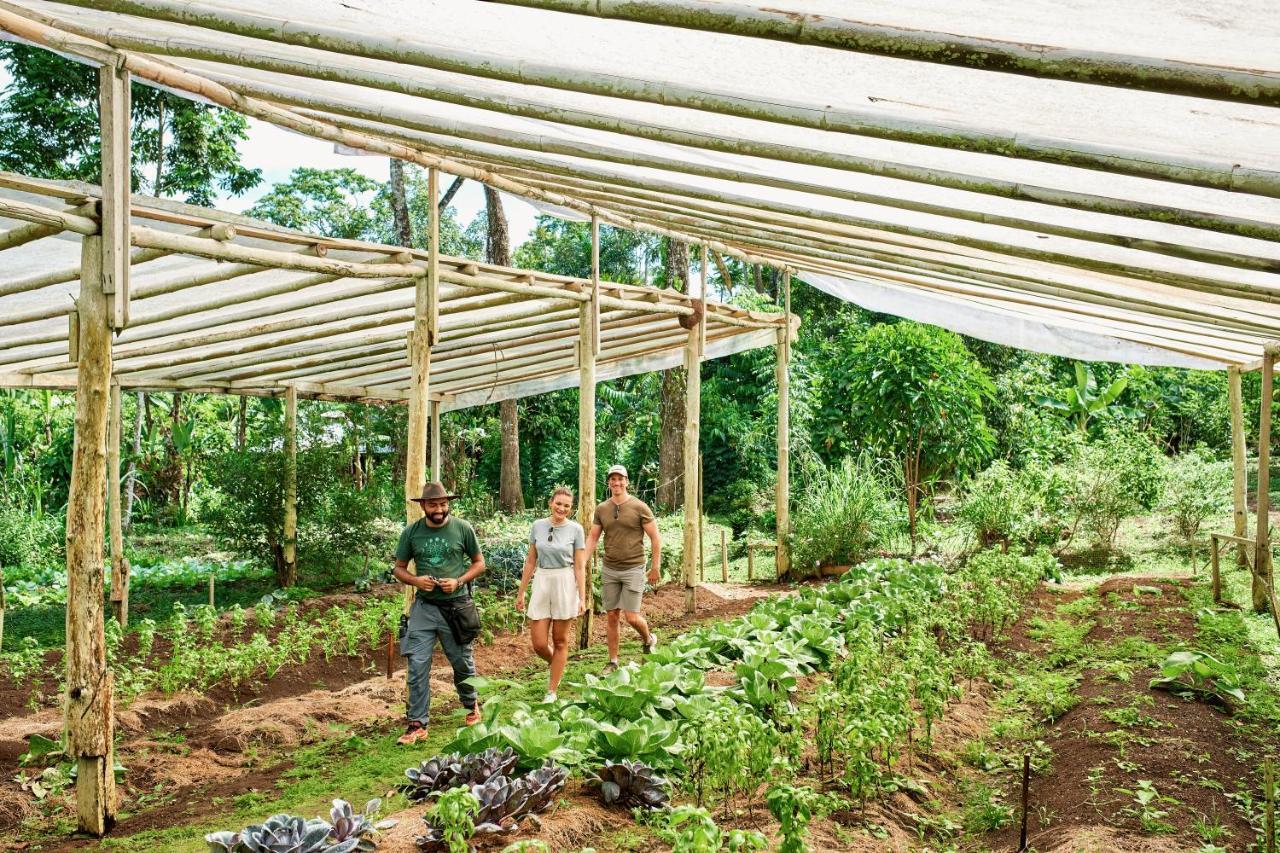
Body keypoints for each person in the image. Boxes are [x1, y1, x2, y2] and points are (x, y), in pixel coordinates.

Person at [392, 481, 486, 745]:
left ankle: (471, 705)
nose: (439, 509)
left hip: (456, 606)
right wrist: (416, 581)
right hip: (424, 606)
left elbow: (479, 564)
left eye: (443, 504)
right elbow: (398, 568)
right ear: (423, 505)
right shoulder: (411, 533)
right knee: (417, 664)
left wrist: (459, 580)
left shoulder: (462, 529)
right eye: (433, 504)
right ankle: (417, 724)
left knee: (461, 662)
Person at [583, 464, 660, 672]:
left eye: (620, 479)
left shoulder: (640, 507)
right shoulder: (602, 509)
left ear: (627, 481)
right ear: (608, 482)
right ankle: (613, 661)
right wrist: (582, 562)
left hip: (634, 567)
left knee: (631, 616)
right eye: (612, 479)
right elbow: (592, 537)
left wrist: (655, 567)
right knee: (612, 615)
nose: (616, 483)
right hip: (610, 568)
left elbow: (654, 537)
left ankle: (648, 638)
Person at [515, 486, 588, 703]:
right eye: (558, 504)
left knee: (560, 640)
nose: (562, 508)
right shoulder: (538, 526)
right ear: (551, 503)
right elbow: (530, 561)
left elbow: (579, 566)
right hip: (542, 579)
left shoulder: (576, 530)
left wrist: (582, 598)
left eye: (566, 505)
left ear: (571, 508)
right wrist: (521, 592)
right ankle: (557, 663)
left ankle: (552, 691)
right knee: (538, 643)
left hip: (565, 580)